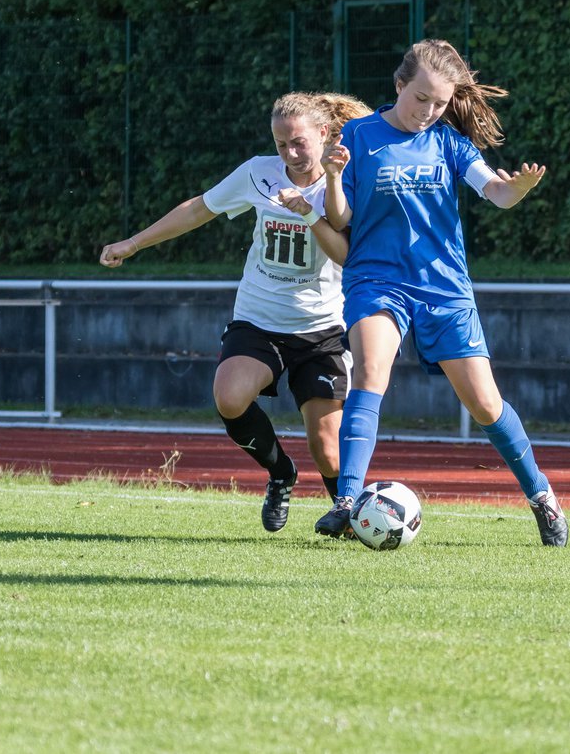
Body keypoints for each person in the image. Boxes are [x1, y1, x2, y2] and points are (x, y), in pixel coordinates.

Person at [314, 39, 569, 546]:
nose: (428, 112)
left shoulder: (450, 143)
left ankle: (542, 496)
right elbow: (340, 218)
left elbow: (493, 190)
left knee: (485, 406)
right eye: (421, 99)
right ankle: (346, 501)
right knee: (368, 373)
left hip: (444, 289)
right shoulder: (359, 136)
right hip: (376, 279)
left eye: (439, 103)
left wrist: (513, 190)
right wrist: (333, 174)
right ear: (399, 85)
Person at [99, 92, 370, 533]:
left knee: (328, 449)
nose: (291, 153)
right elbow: (200, 208)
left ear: (324, 134)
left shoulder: (344, 182)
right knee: (229, 396)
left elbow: (346, 256)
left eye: (299, 142)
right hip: (258, 320)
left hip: (321, 328)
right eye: (281, 144)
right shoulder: (257, 172)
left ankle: (347, 516)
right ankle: (281, 474)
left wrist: (307, 215)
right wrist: (134, 243)